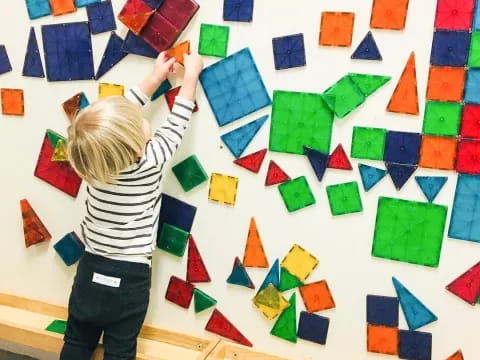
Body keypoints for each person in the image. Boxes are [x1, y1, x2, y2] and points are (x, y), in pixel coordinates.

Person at [60, 51, 204, 360]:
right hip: (130, 277)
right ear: (135, 143)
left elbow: (113, 121)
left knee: (76, 341)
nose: (142, 119)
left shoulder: (91, 165)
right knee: (121, 349)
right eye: (139, 123)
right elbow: (178, 120)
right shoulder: (151, 161)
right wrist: (190, 77)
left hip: (91, 270)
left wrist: (153, 79)